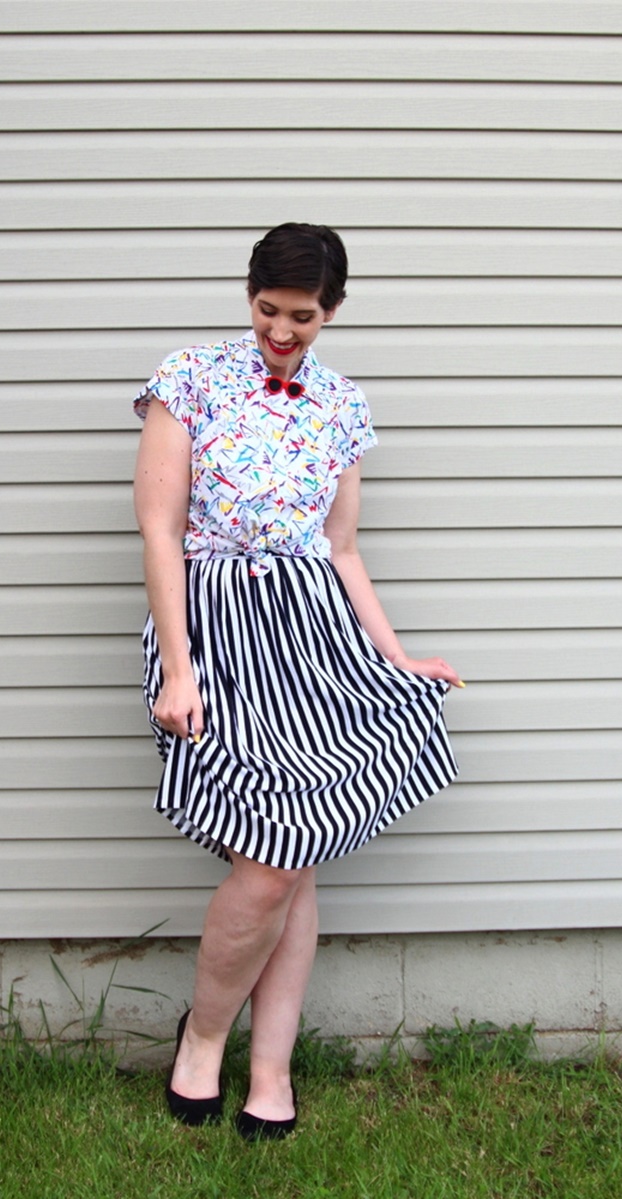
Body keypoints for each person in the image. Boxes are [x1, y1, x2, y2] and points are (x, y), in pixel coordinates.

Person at [133, 222, 462, 1140]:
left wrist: (395, 655)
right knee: (273, 858)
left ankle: (270, 1066)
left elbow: (342, 548)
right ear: (250, 297)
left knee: (295, 852)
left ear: (334, 311)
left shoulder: (343, 404)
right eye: (268, 310)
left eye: (303, 317)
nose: (281, 331)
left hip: (313, 636)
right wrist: (179, 665)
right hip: (216, 629)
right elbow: (159, 529)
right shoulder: (190, 378)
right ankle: (204, 1037)